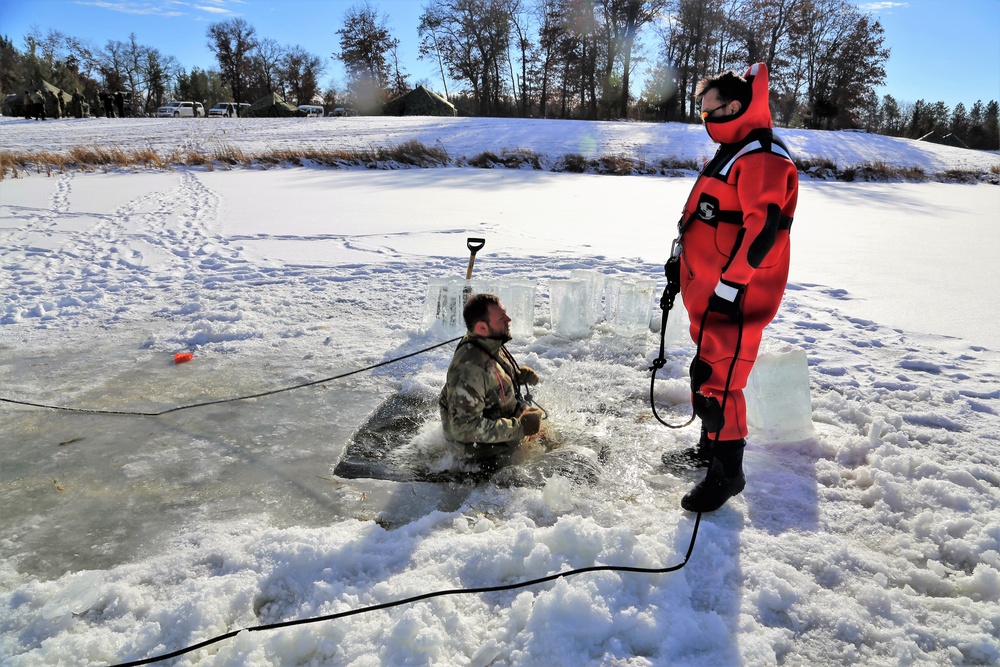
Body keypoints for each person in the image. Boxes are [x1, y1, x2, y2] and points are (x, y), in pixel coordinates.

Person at [661, 62, 799, 513]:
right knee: (707, 371)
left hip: (734, 299)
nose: (703, 119)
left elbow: (764, 232)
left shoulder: (761, 155)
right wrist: (680, 262)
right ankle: (708, 448)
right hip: (709, 292)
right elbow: (706, 214)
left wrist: (730, 287)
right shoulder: (734, 149)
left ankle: (727, 473)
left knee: (722, 383)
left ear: (735, 106)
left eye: (708, 111)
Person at [439, 293, 543, 469]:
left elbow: (489, 382)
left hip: (503, 435)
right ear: (482, 327)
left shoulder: (488, 342)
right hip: (483, 459)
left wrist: (515, 377)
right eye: (501, 318)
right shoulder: (469, 368)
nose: (509, 320)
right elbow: (464, 428)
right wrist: (519, 428)